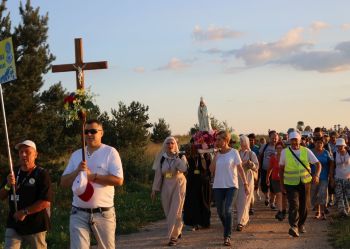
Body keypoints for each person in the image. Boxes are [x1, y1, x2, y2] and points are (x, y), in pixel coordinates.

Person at [60, 119, 124, 249]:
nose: (89, 134)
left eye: (93, 131)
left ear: (101, 133)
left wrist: (92, 177)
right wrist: (77, 171)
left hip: (103, 213)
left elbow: (118, 180)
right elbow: (63, 182)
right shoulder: (76, 154)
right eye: (86, 131)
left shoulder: (110, 152)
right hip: (78, 213)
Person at [0, 140, 52, 249]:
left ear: (35, 155)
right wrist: (8, 185)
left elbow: (45, 202)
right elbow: (1, 196)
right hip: (14, 223)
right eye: (21, 152)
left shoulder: (41, 174)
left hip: (35, 225)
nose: (23, 155)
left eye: (27, 152)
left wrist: (25, 212)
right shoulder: (13, 172)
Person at [210, 130, 249, 247]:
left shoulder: (234, 152)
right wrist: (215, 155)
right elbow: (211, 170)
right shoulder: (217, 154)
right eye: (216, 139)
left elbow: (240, 169)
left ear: (226, 140)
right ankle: (227, 225)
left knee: (227, 209)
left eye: (219, 139)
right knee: (220, 211)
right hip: (218, 186)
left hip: (232, 186)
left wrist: (246, 184)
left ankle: (227, 236)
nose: (217, 141)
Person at [279, 131, 321, 237]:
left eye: (296, 140)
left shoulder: (306, 151)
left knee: (303, 206)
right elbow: (281, 169)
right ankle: (294, 226)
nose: (294, 143)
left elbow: (318, 164)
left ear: (300, 140)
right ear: (289, 141)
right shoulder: (285, 152)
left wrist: (316, 175)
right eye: (292, 140)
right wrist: (282, 184)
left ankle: (301, 224)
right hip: (290, 183)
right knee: (294, 204)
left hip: (305, 183)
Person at [151, 136, 187, 246]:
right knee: (168, 210)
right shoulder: (162, 158)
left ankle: (173, 237)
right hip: (166, 186)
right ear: (164, 145)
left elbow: (184, 169)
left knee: (176, 210)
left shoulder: (181, 156)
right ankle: (178, 229)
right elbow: (158, 175)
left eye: (172, 143)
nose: (170, 145)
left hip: (178, 185)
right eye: (168, 143)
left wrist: (176, 158)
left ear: (175, 144)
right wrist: (154, 189)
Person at [183, 144, 211, 230]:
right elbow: (185, 169)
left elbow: (205, 167)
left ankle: (204, 222)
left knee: (203, 201)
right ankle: (193, 222)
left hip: (203, 182)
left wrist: (202, 155)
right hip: (192, 182)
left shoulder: (206, 155)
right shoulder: (188, 156)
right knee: (193, 202)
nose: (195, 149)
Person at [236, 135, 258, 231]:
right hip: (236, 179)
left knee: (244, 201)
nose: (240, 143)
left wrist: (250, 164)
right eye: (239, 141)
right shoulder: (235, 153)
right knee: (238, 202)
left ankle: (240, 222)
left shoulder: (251, 153)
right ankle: (244, 218)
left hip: (248, 180)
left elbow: (256, 167)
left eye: (242, 141)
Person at [310, 137, 334, 220]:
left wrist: (330, 174)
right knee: (313, 196)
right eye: (317, 142)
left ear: (323, 144)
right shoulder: (311, 152)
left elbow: (331, 162)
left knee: (322, 194)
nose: (319, 144)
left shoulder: (326, 152)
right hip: (313, 177)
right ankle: (317, 211)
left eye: (321, 143)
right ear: (314, 143)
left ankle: (322, 213)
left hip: (324, 177)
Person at [266, 141, 287, 221]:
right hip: (275, 179)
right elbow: (269, 169)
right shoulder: (273, 158)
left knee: (284, 196)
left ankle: (283, 210)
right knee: (279, 194)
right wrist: (267, 178)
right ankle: (280, 211)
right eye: (277, 148)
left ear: (283, 149)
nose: (279, 149)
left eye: (280, 148)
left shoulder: (286, 157)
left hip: (285, 179)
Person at [259, 130, 279, 208]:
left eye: (276, 138)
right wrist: (259, 167)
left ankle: (272, 202)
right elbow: (260, 156)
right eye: (273, 138)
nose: (274, 140)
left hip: (275, 171)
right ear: (269, 138)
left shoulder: (279, 147)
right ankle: (267, 196)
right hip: (264, 169)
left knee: (274, 187)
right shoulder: (264, 146)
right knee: (264, 186)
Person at [332, 138, 350, 217]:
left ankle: (347, 209)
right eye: (338, 146)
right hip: (338, 177)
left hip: (348, 178)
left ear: (344, 145)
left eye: (341, 145)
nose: (340, 147)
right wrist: (331, 178)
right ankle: (342, 212)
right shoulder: (335, 154)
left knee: (347, 195)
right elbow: (332, 167)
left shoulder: (349, 153)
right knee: (339, 195)